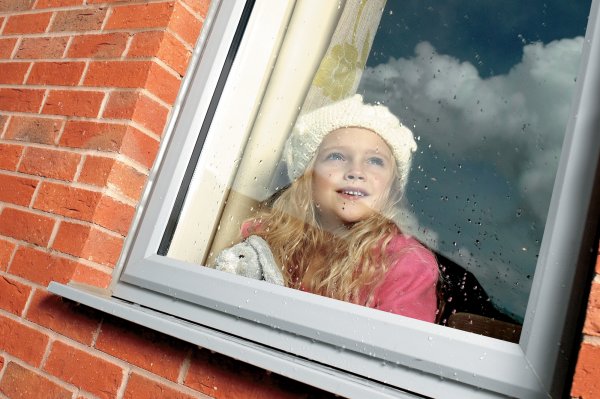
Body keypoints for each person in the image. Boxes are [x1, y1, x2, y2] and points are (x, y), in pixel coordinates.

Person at [216, 94, 439, 323]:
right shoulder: (267, 237)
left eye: (375, 161)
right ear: (308, 177)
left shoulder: (406, 266)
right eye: (337, 156)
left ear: (391, 188)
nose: (356, 170)